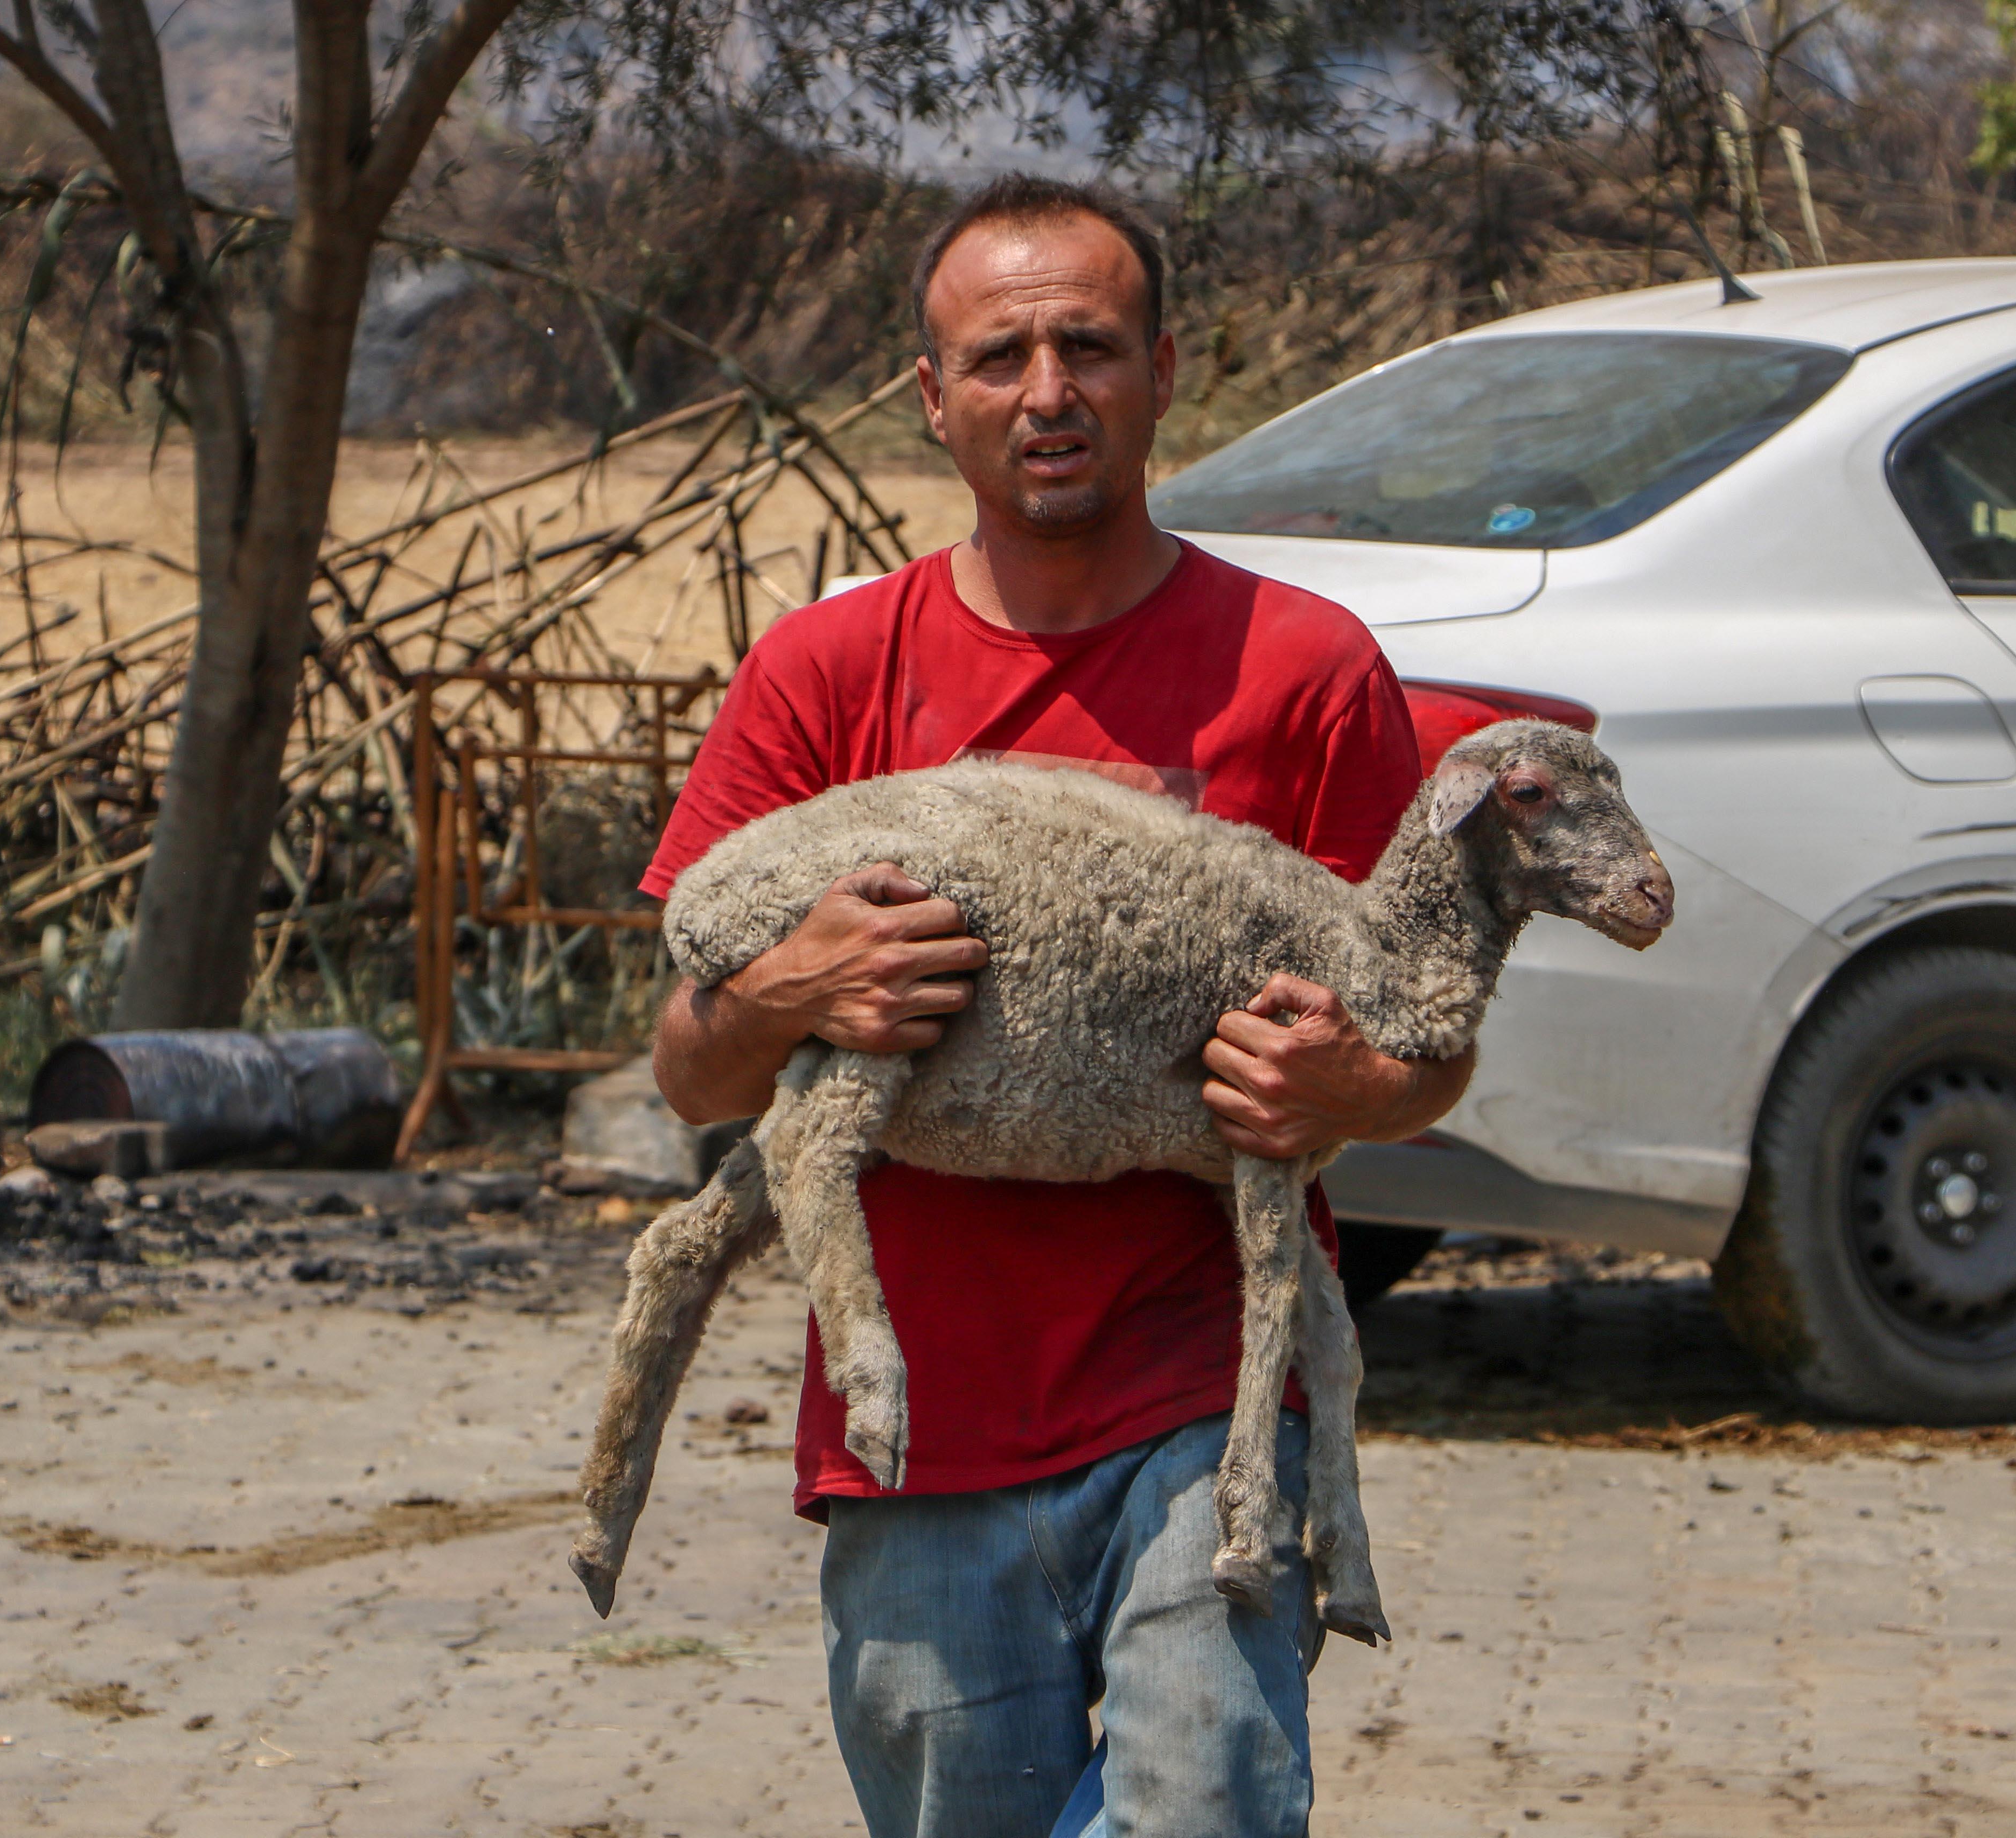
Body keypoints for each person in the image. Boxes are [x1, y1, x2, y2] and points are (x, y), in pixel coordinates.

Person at [638, 174, 1474, 1838]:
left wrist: (1347, 1091)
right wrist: (794, 986)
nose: (1048, 393)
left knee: (1208, 1807)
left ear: (1166, 369)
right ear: (930, 395)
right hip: (919, 1422)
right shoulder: (824, 675)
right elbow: (685, 1066)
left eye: (1086, 346)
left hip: (1202, 1389)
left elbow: (1424, 1053)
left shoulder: (1298, 668)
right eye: (999, 354)